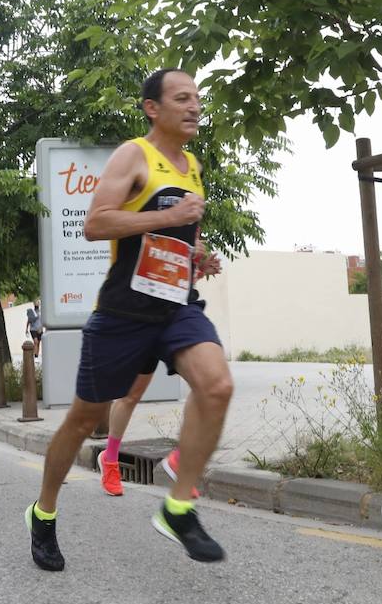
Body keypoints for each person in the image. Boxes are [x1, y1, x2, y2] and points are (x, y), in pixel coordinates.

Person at [25, 69, 233, 573]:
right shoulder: (133, 155)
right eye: (181, 98)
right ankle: (43, 512)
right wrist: (165, 218)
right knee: (80, 421)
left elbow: (177, 236)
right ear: (152, 108)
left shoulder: (193, 165)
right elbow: (97, 223)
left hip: (176, 305)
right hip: (123, 312)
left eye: (197, 99)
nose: (194, 107)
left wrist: (196, 255)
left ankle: (178, 507)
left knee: (218, 386)